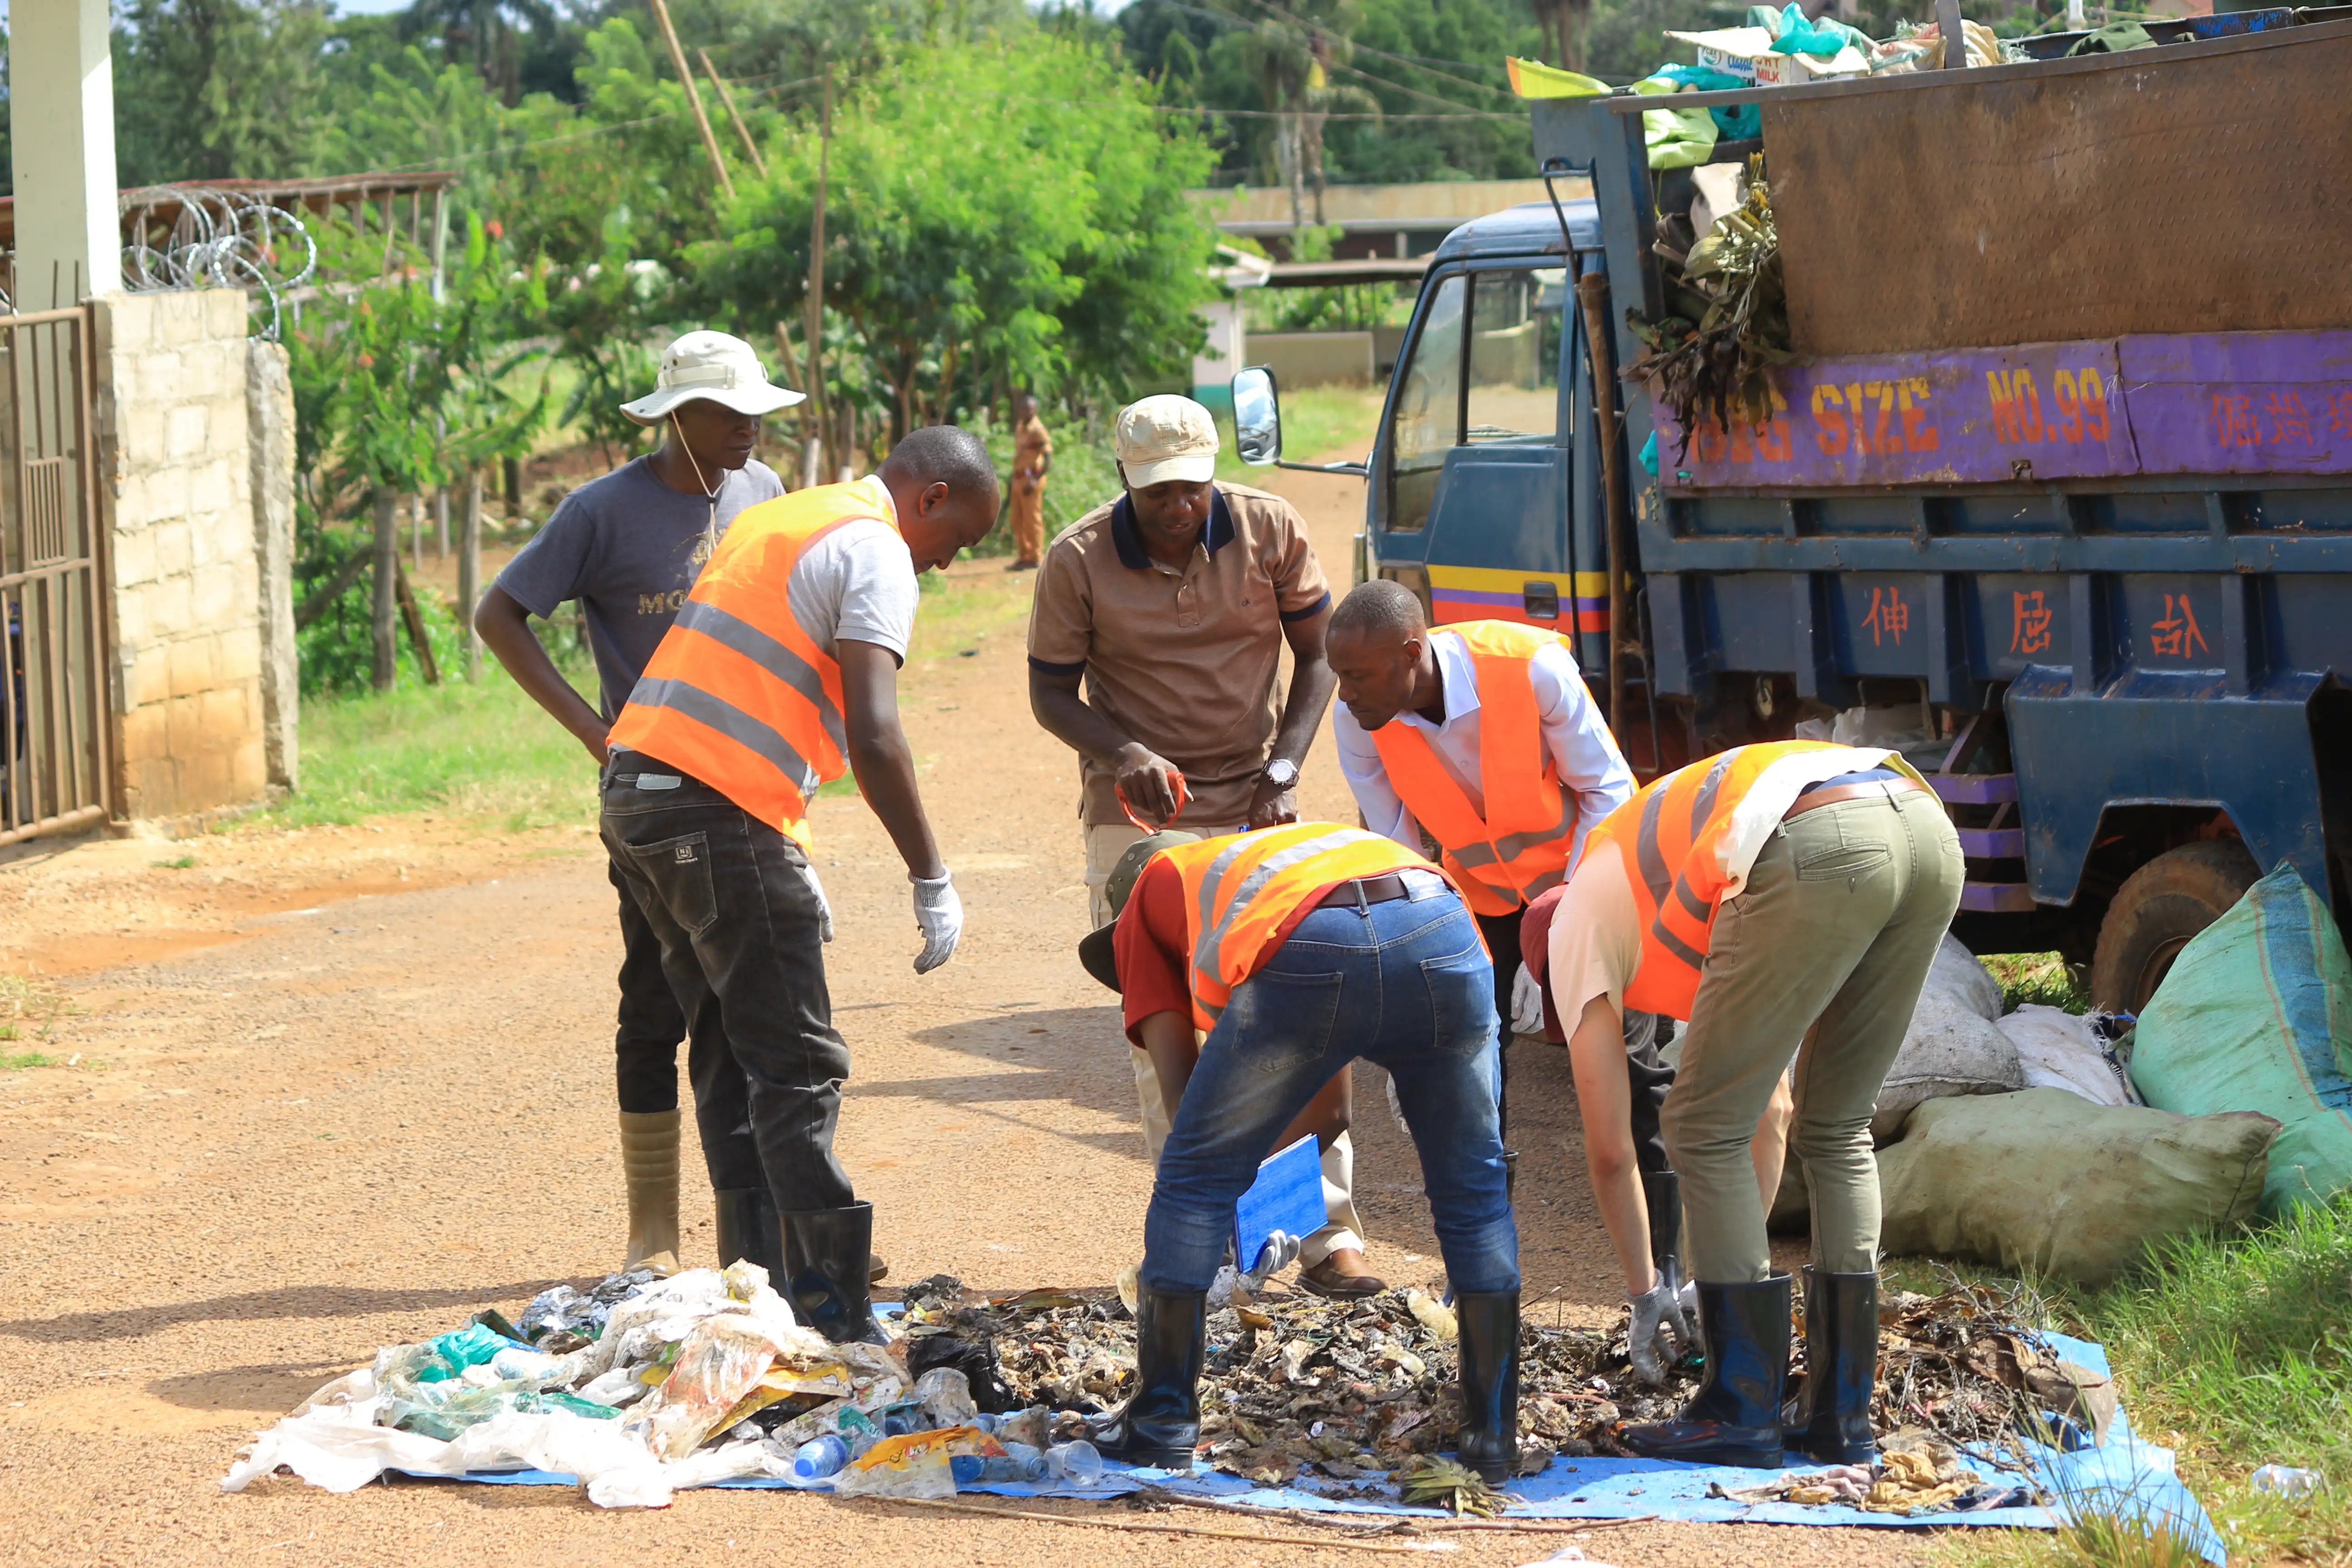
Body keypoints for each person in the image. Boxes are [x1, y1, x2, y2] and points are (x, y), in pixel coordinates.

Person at [600, 426, 1000, 1344]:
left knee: (728, 1048)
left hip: (642, 794)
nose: (944, 566)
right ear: (931, 498)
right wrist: (930, 873)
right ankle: (829, 1308)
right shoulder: (877, 549)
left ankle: (760, 1290)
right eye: (959, 542)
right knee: (799, 1064)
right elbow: (875, 732)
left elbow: (752, 689)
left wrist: (787, 846)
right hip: (712, 806)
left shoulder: (789, 518)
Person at [1027, 394, 1383, 1299]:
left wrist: (1286, 765)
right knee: (1166, 1026)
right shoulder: (1075, 559)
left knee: (1298, 1012)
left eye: (1189, 490)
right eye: (1156, 496)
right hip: (1139, 812)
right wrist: (1125, 751)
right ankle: (1206, 1231)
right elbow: (1052, 695)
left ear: (1213, 473)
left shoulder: (1270, 531)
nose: (1177, 509)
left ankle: (1325, 1236)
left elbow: (1320, 658)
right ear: (1123, 483)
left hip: (1259, 799)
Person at [475, 330, 795, 1280]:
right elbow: (500, 613)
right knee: (658, 995)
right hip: (656, 797)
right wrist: (590, 727)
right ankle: (653, 1227)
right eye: (729, 414)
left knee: (768, 1003)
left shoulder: (765, 495)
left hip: (755, 786)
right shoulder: (601, 513)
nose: (748, 429)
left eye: (756, 414)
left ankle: (780, 1223)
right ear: (676, 419)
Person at [1548, 740, 1963, 1467]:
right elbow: (1773, 1111)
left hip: (1820, 842)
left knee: (1697, 1125)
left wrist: (1652, 1290)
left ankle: (1741, 1406)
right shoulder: (1675, 885)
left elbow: (1615, 1148)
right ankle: (1841, 1414)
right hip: (1923, 827)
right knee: (1836, 1125)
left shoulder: (1572, 925)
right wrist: (1724, 1265)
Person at [1076, 823, 1521, 1482]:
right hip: (1442, 926)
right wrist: (1271, 1197)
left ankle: (1161, 1420)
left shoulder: (1149, 897)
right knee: (1472, 1187)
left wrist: (1234, 1215)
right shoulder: (1269, 873)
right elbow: (1330, 1113)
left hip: (1316, 950)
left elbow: (1188, 1123)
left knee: (1191, 1178)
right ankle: (1493, 1434)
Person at [1323, 579, 1637, 1183]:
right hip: (1481, 898)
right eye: (1341, 674)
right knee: (1464, 1054)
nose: (1344, 693)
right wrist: (1413, 985)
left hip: (1585, 878)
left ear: (1412, 654)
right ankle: (1488, 1242)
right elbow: (1399, 852)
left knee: (1633, 1057)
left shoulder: (1532, 668)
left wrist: (1566, 915)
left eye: (1358, 675)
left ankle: (1663, 1244)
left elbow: (1609, 791)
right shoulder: (1356, 719)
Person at [1516, 881, 1793, 1386]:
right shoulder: (1649, 929)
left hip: (1803, 889)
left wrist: (1683, 1285)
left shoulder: (1719, 938)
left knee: (1717, 1114)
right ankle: (1688, 1279)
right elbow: (1773, 1112)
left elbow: (1611, 1155)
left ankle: (1738, 1367)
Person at [1006, 392, 1053, 571]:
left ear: (1035, 410)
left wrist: (1035, 480)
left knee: (1032, 519)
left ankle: (1036, 557)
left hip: (1030, 479)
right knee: (1017, 519)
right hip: (1018, 478)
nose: (1026, 411)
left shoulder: (1037, 430)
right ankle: (1024, 556)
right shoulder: (1021, 426)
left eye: (1029, 409)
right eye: (1024, 408)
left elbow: (1048, 456)